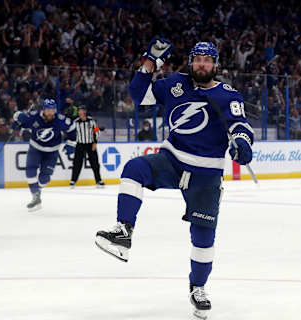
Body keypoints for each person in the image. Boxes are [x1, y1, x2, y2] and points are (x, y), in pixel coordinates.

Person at [95, 39, 253, 319]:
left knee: (203, 238)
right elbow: (137, 95)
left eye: (207, 60)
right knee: (135, 169)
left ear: (215, 65)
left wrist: (242, 143)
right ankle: (123, 232)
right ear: (191, 61)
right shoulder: (174, 84)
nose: (201, 64)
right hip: (172, 158)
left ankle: (198, 287)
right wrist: (149, 63)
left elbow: (241, 126)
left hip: (206, 173)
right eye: (197, 59)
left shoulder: (229, 95)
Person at [12, 98, 76, 212]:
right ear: (43, 109)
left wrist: (71, 143)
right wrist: (17, 120)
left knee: (45, 177)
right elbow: (19, 119)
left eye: (52, 110)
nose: (50, 112)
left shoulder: (60, 120)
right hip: (35, 148)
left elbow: (72, 128)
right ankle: (36, 196)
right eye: (48, 110)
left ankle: (38, 191)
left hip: (52, 152)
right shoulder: (34, 116)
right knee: (30, 171)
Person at [70, 106, 105, 188]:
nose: (79, 112)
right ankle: (73, 181)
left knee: (95, 163)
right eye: (79, 111)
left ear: (85, 111)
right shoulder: (76, 122)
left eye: (81, 110)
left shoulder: (91, 121)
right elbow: (71, 132)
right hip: (80, 144)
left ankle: (98, 180)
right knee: (77, 163)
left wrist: (95, 142)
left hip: (90, 144)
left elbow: (97, 131)